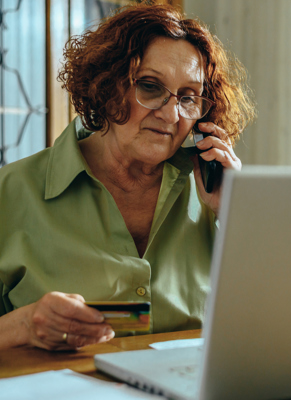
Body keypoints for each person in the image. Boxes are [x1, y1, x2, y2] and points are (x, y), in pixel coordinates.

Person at [0, 3, 255, 351]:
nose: (171, 114)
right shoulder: (11, 192)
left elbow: (285, 319)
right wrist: (24, 325)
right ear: (106, 86)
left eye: (189, 97)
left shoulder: (216, 191)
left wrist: (237, 211)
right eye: (150, 87)